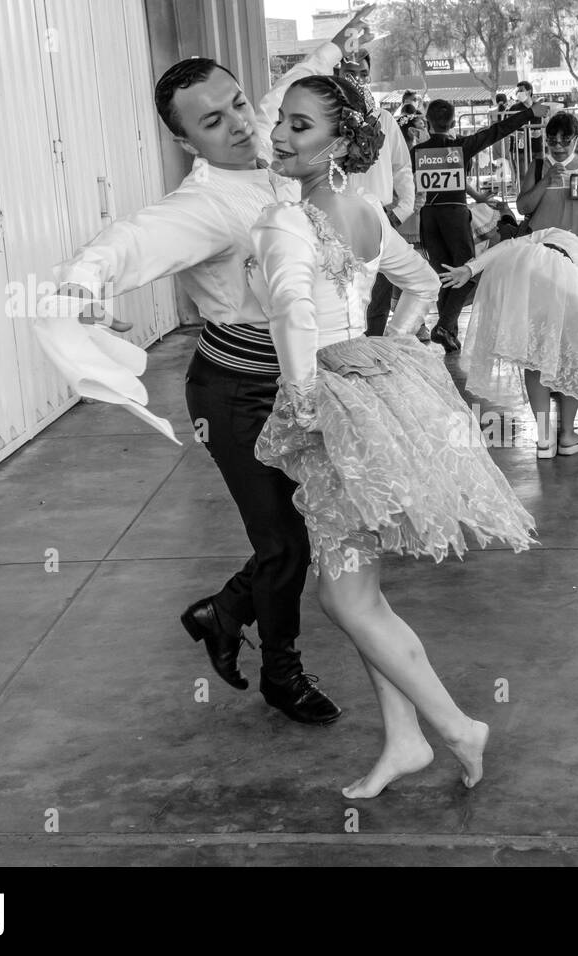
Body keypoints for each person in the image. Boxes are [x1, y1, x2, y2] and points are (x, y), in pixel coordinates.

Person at [51, 10, 377, 726]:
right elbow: (126, 241)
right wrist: (83, 280)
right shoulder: (198, 208)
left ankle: (221, 612)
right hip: (235, 391)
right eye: (210, 122)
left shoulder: (272, 145)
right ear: (183, 140)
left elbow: (290, 82)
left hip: (304, 377)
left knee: (311, 531)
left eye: (237, 104)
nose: (236, 124)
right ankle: (282, 675)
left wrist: (343, 35)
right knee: (285, 541)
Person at [252, 74, 536, 798]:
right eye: (282, 120)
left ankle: (455, 726)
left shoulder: (288, 221)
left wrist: (310, 399)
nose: (282, 135)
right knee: (358, 592)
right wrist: (389, 344)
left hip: (333, 402)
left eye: (302, 126)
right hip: (366, 388)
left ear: (341, 141)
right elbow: (424, 285)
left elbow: (291, 314)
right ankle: (405, 740)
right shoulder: (365, 210)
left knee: (345, 600)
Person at [441, 230, 578, 457]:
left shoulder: (557, 234)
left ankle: (544, 440)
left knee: (534, 359)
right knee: (576, 357)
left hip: (523, 276)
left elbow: (510, 244)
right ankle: (568, 437)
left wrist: (471, 268)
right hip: (566, 287)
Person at [411, 94, 548, 353]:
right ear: (453, 124)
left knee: (444, 274)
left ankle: (449, 332)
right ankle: (445, 325)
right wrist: (530, 113)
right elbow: (497, 131)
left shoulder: (417, 152)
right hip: (454, 213)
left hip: (428, 215)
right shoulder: (461, 147)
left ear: (428, 123)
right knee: (468, 270)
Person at [334, 51, 414, 338]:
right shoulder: (327, 121)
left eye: (363, 74)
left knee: (377, 302)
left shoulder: (385, 120)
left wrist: (401, 211)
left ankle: (378, 358)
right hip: (337, 222)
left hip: (380, 221)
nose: (358, 80)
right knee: (342, 304)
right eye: (350, 73)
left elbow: (402, 168)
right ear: (339, 74)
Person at [516, 111, 578, 237]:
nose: (558, 147)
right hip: (545, 251)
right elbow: (522, 208)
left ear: (577, 140)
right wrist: (546, 181)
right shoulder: (537, 167)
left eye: (565, 141)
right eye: (552, 141)